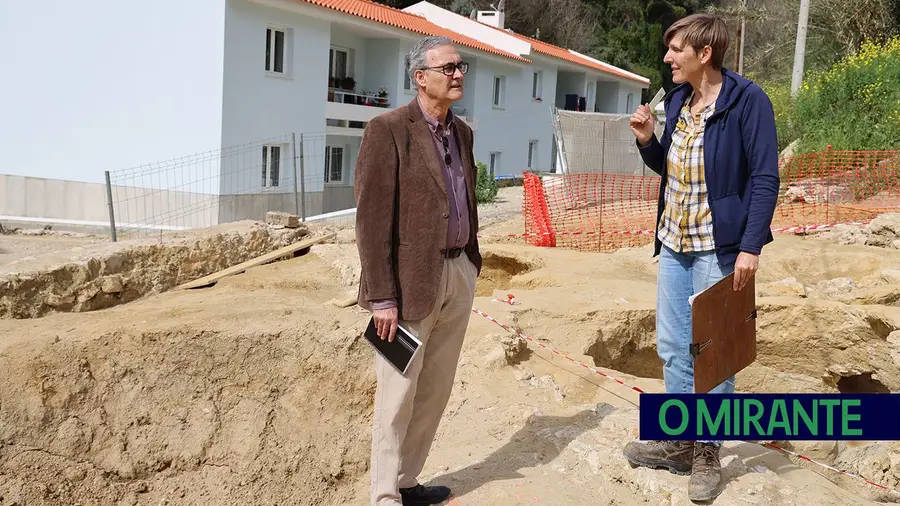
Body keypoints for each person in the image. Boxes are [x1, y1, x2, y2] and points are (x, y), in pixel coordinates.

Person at [623, 13, 779, 502]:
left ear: (704, 54)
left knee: (714, 353)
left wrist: (750, 245)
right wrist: (648, 140)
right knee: (673, 348)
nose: (667, 58)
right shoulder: (676, 99)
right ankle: (680, 441)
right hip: (674, 243)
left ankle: (708, 451)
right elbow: (671, 166)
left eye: (675, 50)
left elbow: (764, 178)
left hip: (721, 248)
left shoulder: (746, 100)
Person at [354, 35, 482, 506]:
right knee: (397, 395)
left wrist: (470, 261)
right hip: (407, 288)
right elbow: (370, 221)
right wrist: (381, 296)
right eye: (447, 68)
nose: (457, 75)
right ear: (420, 77)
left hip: (458, 274)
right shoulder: (387, 130)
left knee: (436, 388)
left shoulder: (462, 133)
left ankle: (408, 481)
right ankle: (384, 494)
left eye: (460, 67)